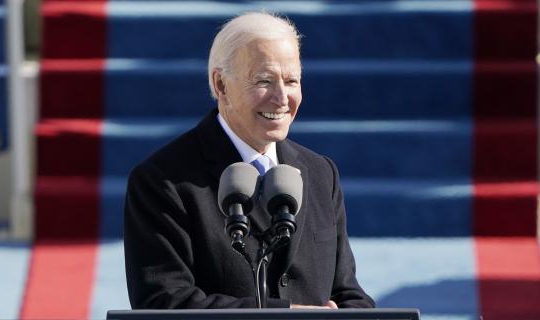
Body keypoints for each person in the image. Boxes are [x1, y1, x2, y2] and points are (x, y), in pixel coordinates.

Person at [124, 12, 375, 309]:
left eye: (292, 80)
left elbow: (349, 294)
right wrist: (286, 316)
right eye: (264, 81)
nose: (282, 97)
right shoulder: (162, 182)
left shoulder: (321, 173)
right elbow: (166, 303)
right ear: (221, 85)